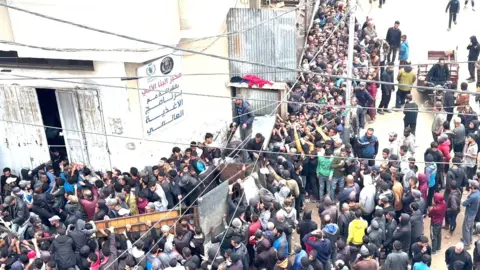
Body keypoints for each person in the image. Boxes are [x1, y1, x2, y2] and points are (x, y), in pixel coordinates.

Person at [462, 180, 480, 249]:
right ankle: (469, 240)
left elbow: (464, 204)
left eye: (470, 185)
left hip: (469, 213)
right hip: (474, 213)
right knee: (470, 227)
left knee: (466, 228)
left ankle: (467, 244)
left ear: (472, 187)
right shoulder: (478, 192)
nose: (469, 185)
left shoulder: (472, 196)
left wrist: (468, 195)